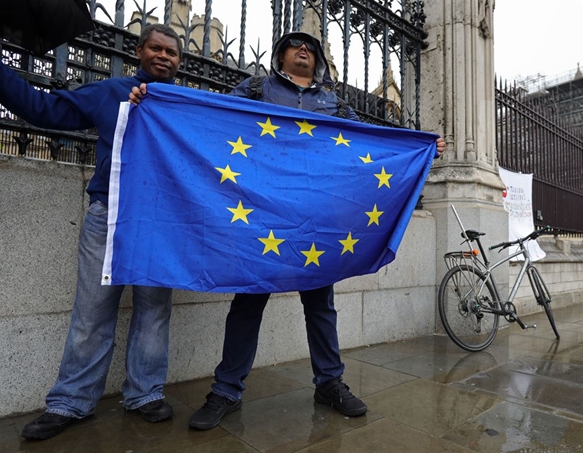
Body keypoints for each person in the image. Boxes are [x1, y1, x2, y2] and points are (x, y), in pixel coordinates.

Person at [129, 30, 446, 431]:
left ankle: (329, 384)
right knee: (248, 303)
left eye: (311, 47)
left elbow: (371, 141)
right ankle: (226, 390)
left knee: (320, 306)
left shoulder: (332, 101)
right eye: (296, 45)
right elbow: (212, 115)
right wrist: (154, 101)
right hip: (262, 214)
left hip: (316, 220)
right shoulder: (257, 87)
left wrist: (419, 145)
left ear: (318, 60)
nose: (304, 50)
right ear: (281, 54)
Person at [0, 24, 183, 440]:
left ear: (179, 63)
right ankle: (71, 402)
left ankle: (146, 394)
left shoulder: (185, 105)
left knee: (154, 311)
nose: (164, 56)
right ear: (139, 51)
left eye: (172, 53)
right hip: (110, 215)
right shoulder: (113, 91)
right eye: (156, 48)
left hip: (162, 222)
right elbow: (44, 110)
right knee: (92, 311)